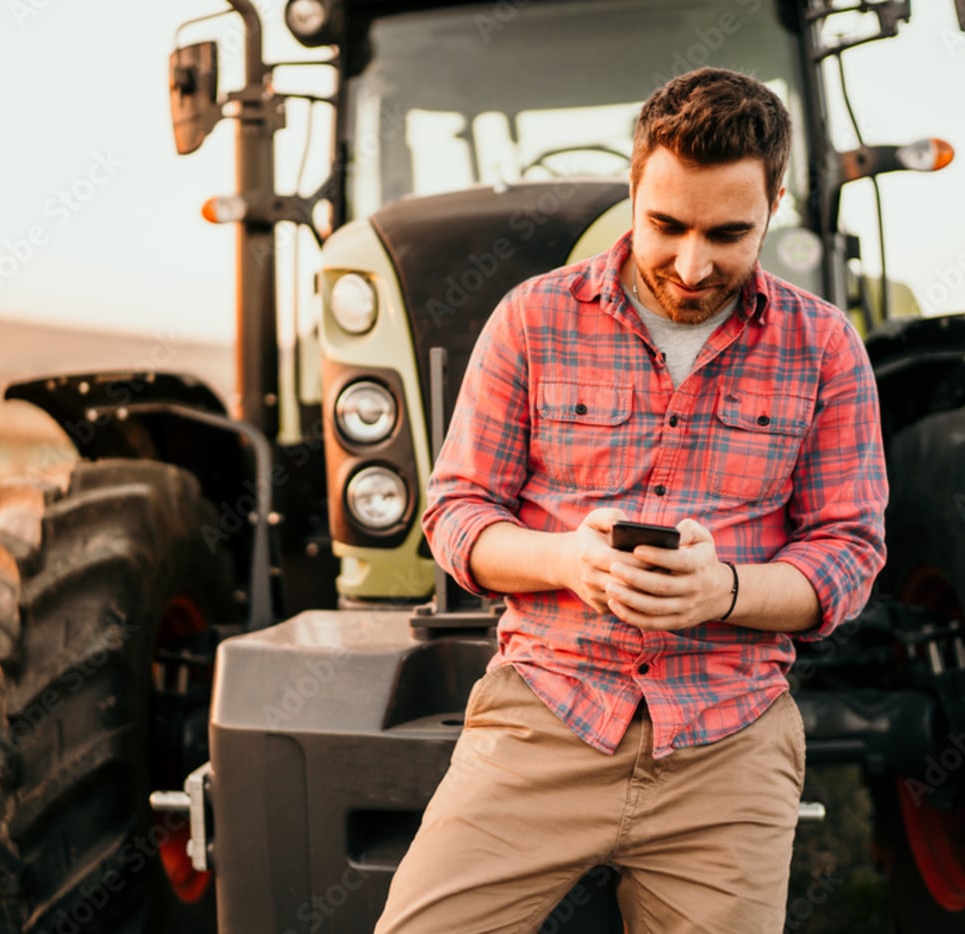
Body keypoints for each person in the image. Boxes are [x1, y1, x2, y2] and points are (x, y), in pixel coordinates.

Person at [376, 67, 888, 933]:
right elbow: (456, 515)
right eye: (667, 226)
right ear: (634, 187)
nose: (692, 265)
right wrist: (566, 559)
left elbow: (848, 554)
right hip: (544, 717)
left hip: (729, 738)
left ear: (775, 206)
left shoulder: (827, 346)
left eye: (729, 233)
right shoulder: (531, 320)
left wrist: (720, 590)